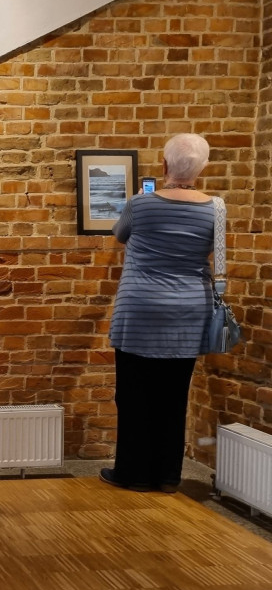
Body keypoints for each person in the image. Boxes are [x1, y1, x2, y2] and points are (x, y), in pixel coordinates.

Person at [102, 133, 217, 493]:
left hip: (140, 309)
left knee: (134, 394)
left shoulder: (141, 203)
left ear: (164, 165)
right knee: (174, 394)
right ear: (203, 168)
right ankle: (168, 475)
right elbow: (214, 251)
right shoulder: (217, 207)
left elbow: (119, 234)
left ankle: (132, 472)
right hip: (188, 311)